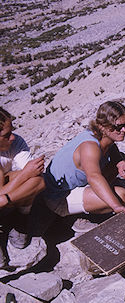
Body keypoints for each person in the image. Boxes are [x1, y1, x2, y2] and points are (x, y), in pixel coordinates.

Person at [42, 101, 125, 218]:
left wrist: (121, 163)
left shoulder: (100, 136)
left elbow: (112, 148)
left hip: (68, 187)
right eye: (117, 127)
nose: (123, 130)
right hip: (58, 198)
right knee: (122, 195)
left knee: (121, 159)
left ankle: (93, 197)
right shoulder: (90, 146)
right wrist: (117, 206)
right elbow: (94, 176)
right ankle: (83, 217)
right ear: (102, 126)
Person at [0, 107, 45, 267]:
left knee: (37, 181)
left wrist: (5, 198)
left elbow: (35, 176)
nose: (12, 137)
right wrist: (25, 174)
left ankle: (20, 220)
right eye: (6, 135)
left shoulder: (16, 142)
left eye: (11, 131)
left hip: (5, 197)